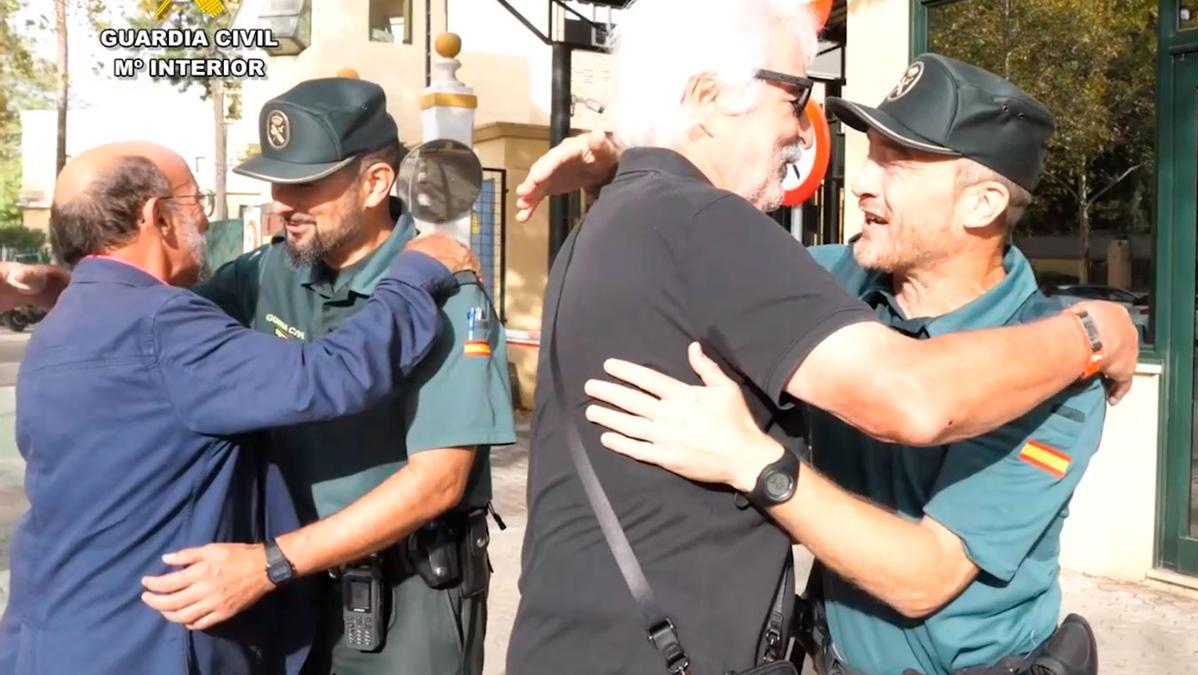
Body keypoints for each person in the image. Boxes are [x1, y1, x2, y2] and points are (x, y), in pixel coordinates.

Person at [503, 2, 1137, 674]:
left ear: (980, 203)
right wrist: (633, 152)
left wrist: (753, 461)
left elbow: (922, 575)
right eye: (869, 154)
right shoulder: (843, 278)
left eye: (897, 164)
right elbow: (686, 248)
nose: (859, 181)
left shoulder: (1051, 370)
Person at [0, 141, 475, 675]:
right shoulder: (164, 327)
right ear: (158, 217)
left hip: (52, 634)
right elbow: (332, 375)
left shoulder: (63, 324)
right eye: (195, 199)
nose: (206, 217)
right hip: (147, 645)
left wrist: (48, 284)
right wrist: (417, 272)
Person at [133, 78, 514, 675]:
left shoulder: (447, 291)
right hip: (282, 594)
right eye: (278, 181)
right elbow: (152, 321)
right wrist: (58, 286)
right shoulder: (266, 273)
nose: (283, 201)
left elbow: (438, 482)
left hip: (401, 605)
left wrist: (269, 564)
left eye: (307, 183)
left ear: (375, 184)